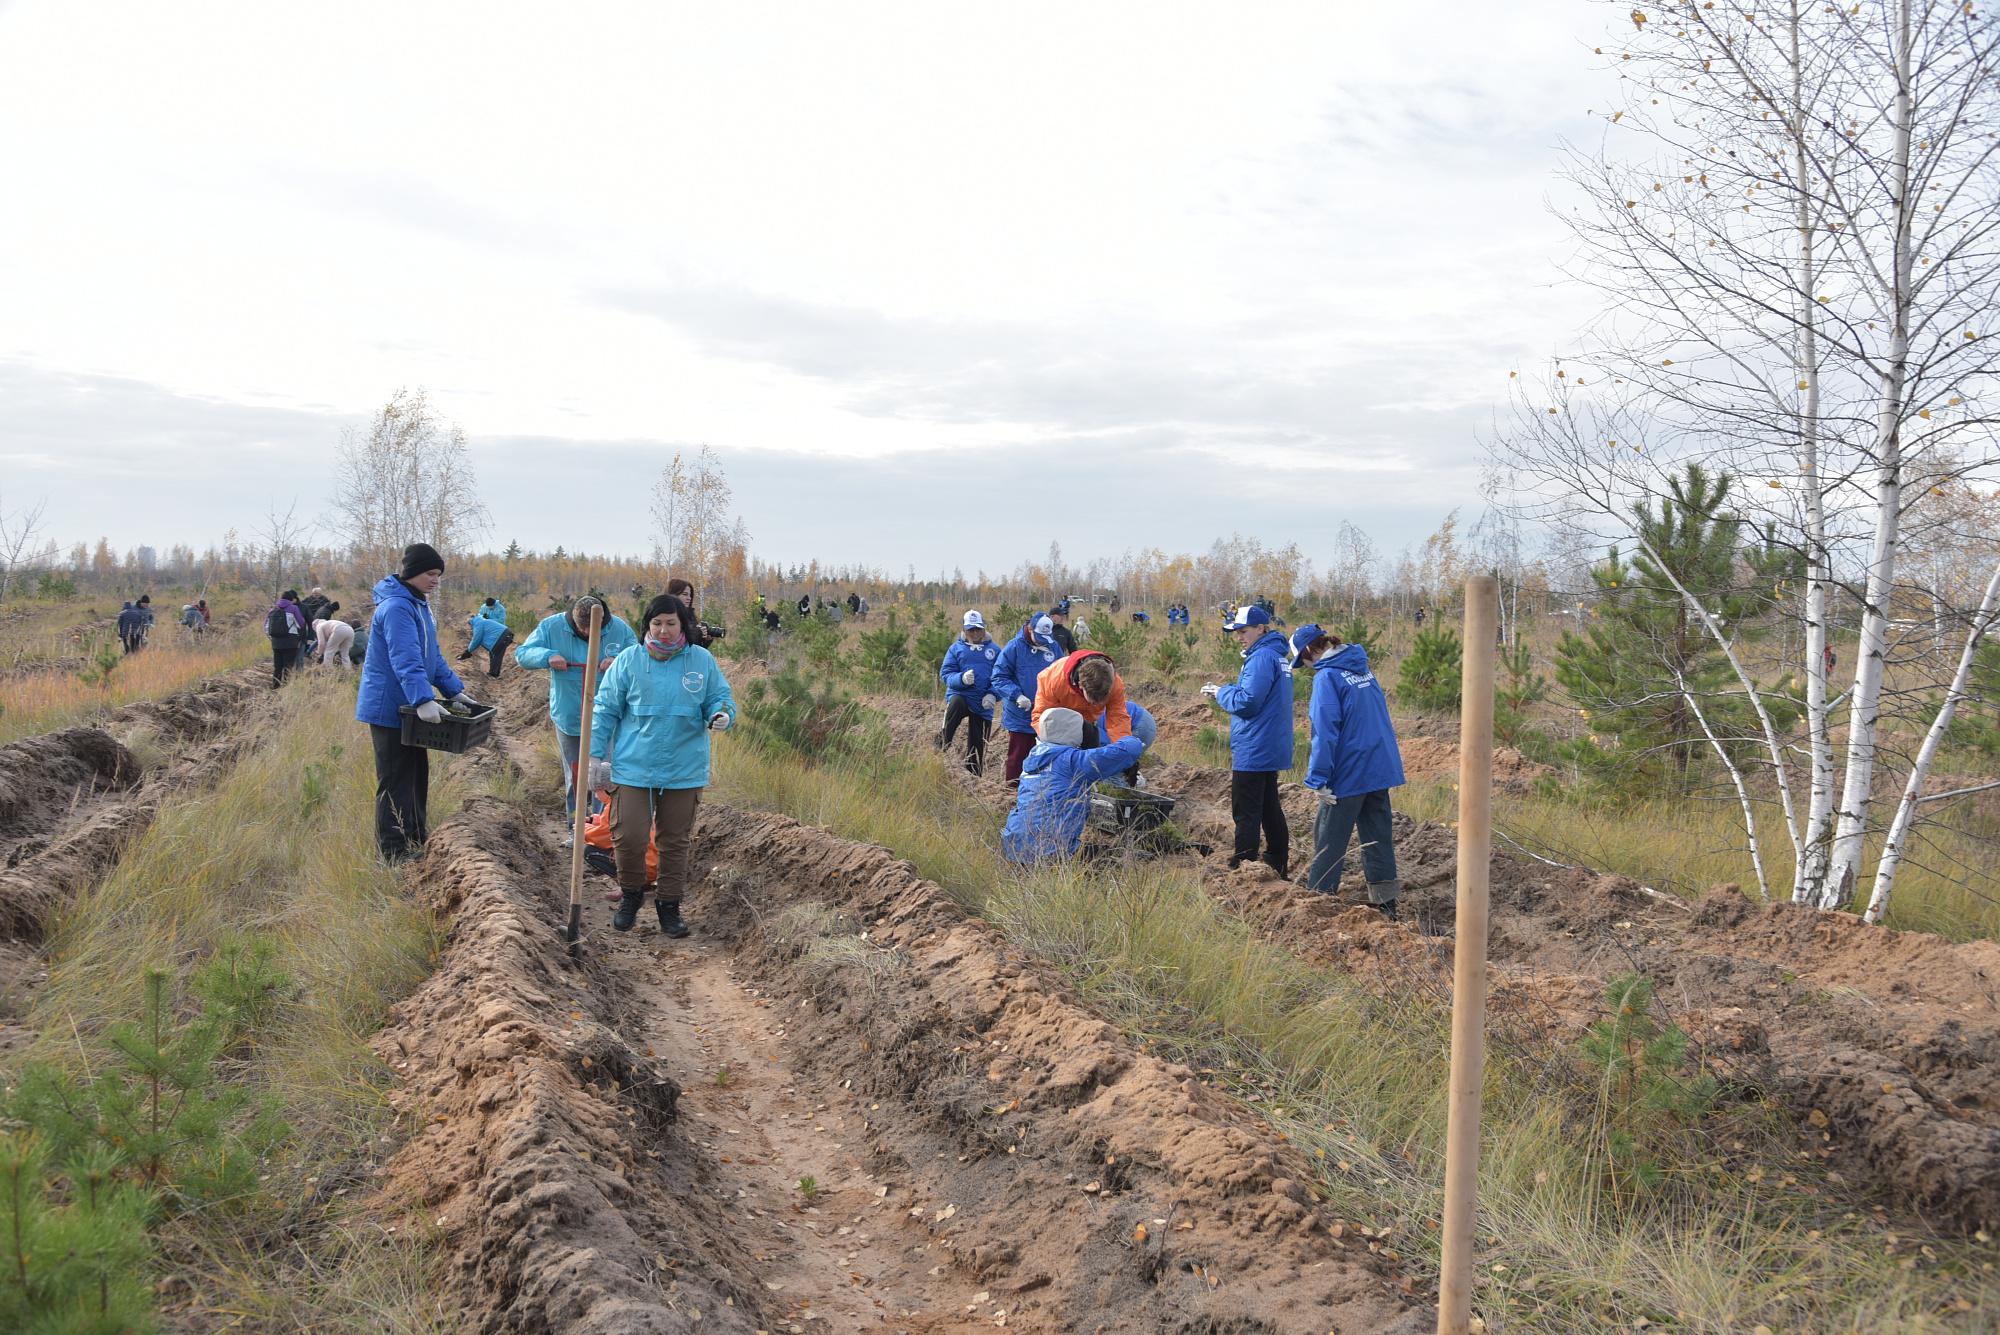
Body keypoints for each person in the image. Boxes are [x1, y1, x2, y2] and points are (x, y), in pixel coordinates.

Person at [587, 593, 736, 938]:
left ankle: (669, 905)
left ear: (682, 625)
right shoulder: (630, 660)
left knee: (674, 841)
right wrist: (596, 757)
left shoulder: (700, 661)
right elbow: (605, 708)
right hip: (634, 766)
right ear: (647, 625)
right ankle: (631, 895)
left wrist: (722, 714)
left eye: (671, 623)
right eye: (657, 623)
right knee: (630, 836)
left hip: (684, 768)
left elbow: (719, 698)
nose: (664, 630)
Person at [355, 543, 478, 862]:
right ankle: (393, 854)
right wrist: (424, 698)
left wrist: (454, 690)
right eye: (430, 573)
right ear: (412, 573)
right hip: (388, 708)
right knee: (395, 779)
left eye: (439, 575)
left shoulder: (418, 605)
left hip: (409, 710)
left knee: (416, 774)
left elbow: (432, 658)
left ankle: (415, 838)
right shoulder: (396, 607)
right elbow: (405, 658)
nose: (435, 580)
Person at [1295, 624, 1405, 921]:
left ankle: (1318, 902)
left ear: (1309, 651)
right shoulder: (1361, 668)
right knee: (1377, 836)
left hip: (1349, 772)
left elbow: (1324, 732)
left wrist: (1318, 778)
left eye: (1301, 662)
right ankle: (1386, 905)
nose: (1303, 668)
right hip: (1378, 767)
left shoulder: (1327, 677)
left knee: (1329, 837)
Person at [514, 594, 639, 813]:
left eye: (593, 630)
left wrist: (618, 662)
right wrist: (547, 656)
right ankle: (575, 827)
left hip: (606, 720)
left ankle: (601, 830)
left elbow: (638, 659)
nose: (587, 634)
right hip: (569, 716)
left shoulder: (619, 629)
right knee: (575, 776)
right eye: (582, 629)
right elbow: (523, 654)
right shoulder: (552, 626)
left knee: (603, 776)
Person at [1202, 603, 1294, 876]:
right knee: (1268, 807)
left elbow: (1248, 702)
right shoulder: (1276, 655)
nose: (1239, 636)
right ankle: (1276, 862)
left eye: (1244, 630)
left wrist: (1221, 692)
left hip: (1255, 746)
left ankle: (1244, 866)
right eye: (1236, 631)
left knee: (1246, 810)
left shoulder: (1262, 658)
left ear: (1261, 628)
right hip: (1269, 743)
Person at [1000, 707, 1147, 864]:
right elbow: (1126, 751)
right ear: (1074, 733)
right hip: (1050, 850)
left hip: (1015, 847)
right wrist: (1132, 739)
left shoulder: (1034, 758)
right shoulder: (1071, 761)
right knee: (1112, 863)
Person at [991, 614, 1059, 786]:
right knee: (1018, 756)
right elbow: (999, 677)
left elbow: (1062, 675)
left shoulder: (1053, 647)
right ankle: (1011, 794)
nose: (1043, 642)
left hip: (1047, 715)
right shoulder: (1014, 647)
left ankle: (1037, 792)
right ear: (1030, 629)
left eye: (1046, 638)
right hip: (1020, 715)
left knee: (1045, 757)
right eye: (1039, 637)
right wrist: (1016, 696)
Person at [937, 610, 999, 776]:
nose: (975, 633)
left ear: (984, 628)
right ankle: (939, 748)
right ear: (964, 629)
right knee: (956, 704)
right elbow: (945, 674)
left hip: (983, 701)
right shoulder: (955, 648)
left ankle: (973, 776)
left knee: (978, 744)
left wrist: (993, 694)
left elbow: (1002, 677)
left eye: (978, 629)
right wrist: (961, 679)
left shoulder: (994, 650)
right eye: (971, 629)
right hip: (962, 696)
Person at [1032, 649, 1132, 747]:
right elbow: (1041, 718)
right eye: (1093, 700)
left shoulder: (1114, 684)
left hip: (1087, 725)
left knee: (1093, 745)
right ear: (1080, 685)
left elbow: (1118, 719)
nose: (1096, 704)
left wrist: (1124, 749)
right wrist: (1056, 746)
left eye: (1101, 700)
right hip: (1058, 726)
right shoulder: (1053, 680)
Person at [665, 579, 723, 649]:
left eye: (690, 595)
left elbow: (694, 650)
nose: (689, 598)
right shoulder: (664, 616)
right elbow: (669, 645)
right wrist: (696, 634)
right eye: (685, 594)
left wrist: (705, 641)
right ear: (673, 595)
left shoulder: (690, 617)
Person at [266, 589, 309, 686]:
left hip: (276, 643)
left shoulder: (273, 609)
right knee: (288, 665)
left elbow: (266, 627)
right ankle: (286, 686)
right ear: (291, 599)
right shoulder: (293, 608)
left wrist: (272, 638)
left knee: (277, 666)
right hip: (290, 642)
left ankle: (275, 685)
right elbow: (301, 624)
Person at [462, 606, 514, 679]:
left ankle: (493, 674)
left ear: (469, 622)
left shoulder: (478, 624)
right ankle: (495, 673)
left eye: (467, 625)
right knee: (495, 653)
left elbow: (476, 640)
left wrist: (468, 651)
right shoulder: (480, 620)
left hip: (503, 636)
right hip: (506, 635)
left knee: (496, 653)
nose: (469, 628)